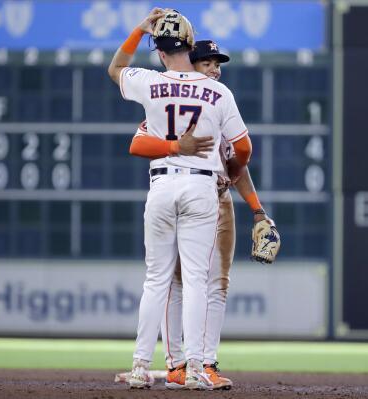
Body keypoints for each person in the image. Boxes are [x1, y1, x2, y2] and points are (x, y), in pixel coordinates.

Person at [107, 9, 253, 390]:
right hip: (201, 186)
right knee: (196, 280)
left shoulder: (149, 81)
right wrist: (233, 173)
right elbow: (244, 147)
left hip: (161, 184)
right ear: (191, 46)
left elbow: (116, 68)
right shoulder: (218, 91)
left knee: (156, 279)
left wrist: (139, 29)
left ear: (158, 52)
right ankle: (193, 369)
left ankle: (140, 366)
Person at [129, 40, 277, 390]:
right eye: (207, 62)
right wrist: (175, 147)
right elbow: (137, 143)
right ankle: (178, 364)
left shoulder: (216, 101)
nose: (215, 68)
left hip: (216, 196)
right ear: (189, 64)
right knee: (178, 281)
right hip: (192, 194)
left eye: (217, 63)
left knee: (216, 283)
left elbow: (238, 163)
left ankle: (205, 362)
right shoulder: (170, 99)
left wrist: (257, 210)